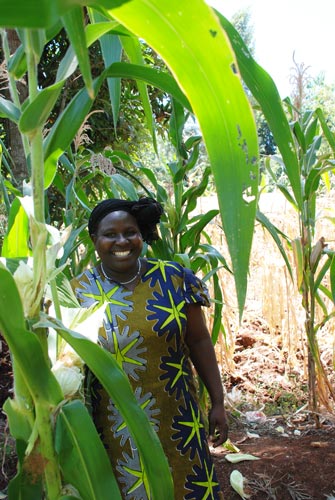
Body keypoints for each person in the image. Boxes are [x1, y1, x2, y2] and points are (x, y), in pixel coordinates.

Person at [71, 197, 228, 500]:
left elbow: (198, 340)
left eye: (130, 232)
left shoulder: (173, 278)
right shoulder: (79, 292)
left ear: (141, 235)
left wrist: (218, 402)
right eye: (110, 234)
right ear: (94, 240)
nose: (121, 241)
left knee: (187, 487)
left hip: (179, 419)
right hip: (116, 428)